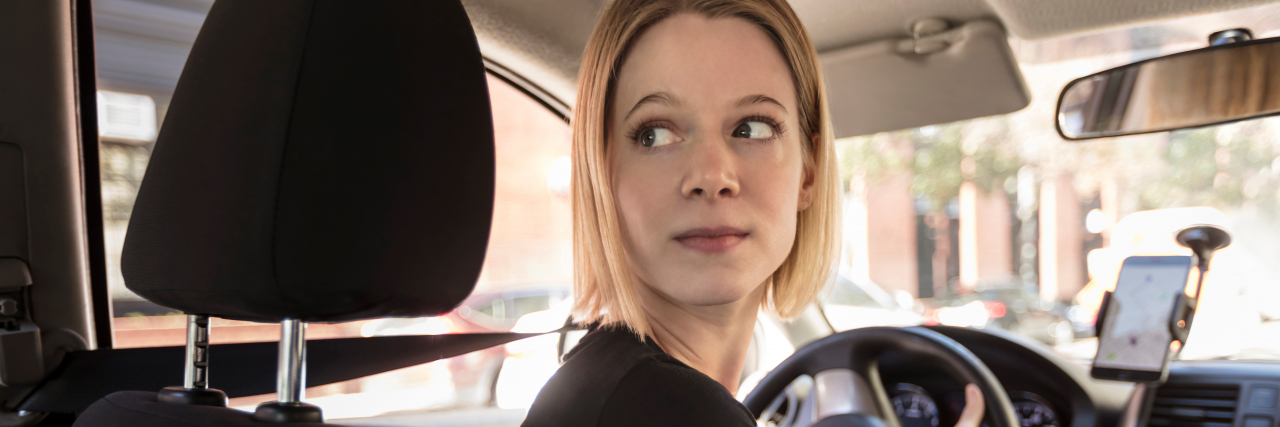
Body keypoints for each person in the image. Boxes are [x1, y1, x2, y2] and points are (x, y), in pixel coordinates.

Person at [521, 0, 987, 425]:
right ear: (601, 177)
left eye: (751, 128)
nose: (711, 175)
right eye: (654, 135)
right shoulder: (674, 408)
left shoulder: (606, 386)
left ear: (808, 173)